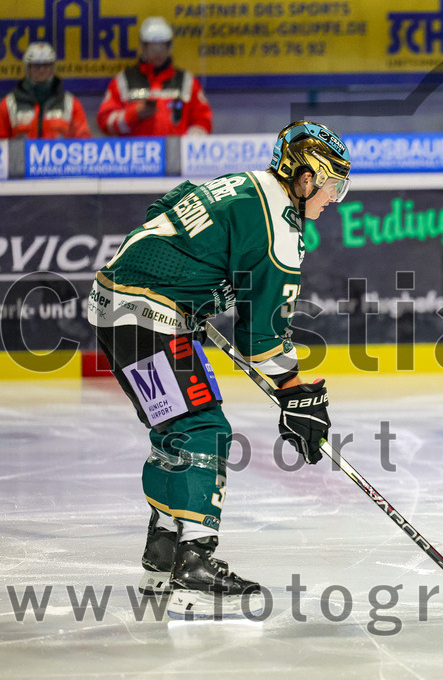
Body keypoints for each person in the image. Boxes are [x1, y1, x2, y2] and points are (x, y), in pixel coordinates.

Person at [87, 121, 351, 618]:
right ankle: (195, 563)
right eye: (331, 184)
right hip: (150, 316)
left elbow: (162, 214)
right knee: (203, 427)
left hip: (114, 305)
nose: (333, 198)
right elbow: (263, 337)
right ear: (305, 178)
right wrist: (295, 391)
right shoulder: (280, 223)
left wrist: (191, 295)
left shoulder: (245, 184)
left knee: (174, 426)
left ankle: (163, 550)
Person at [97, 16, 212, 136]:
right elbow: (104, 121)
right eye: (152, 47)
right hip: (137, 153)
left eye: (162, 46)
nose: (157, 52)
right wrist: (133, 114)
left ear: (169, 46)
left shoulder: (187, 82)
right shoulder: (123, 81)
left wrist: (188, 142)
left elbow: (203, 120)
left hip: (174, 152)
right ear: (144, 46)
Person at [0, 42, 90, 139]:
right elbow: (1, 145)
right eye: (36, 66)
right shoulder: (9, 104)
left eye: (46, 65)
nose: (41, 70)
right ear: (28, 68)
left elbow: (84, 141)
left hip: (59, 153)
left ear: (52, 68)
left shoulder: (70, 103)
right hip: (20, 154)